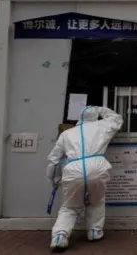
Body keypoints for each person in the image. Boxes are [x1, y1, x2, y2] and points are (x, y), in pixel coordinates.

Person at [46, 106, 123, 251]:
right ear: (95, 117)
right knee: (97, 201)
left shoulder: (67, 134)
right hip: (97, 166)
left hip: (73, 168)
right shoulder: (103, 126)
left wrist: (54, 178)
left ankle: (59, 236)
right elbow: (117, 118)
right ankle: (94, 232)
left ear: (79, 118)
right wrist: (101, 109)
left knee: (70, 206)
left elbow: (54, 159)